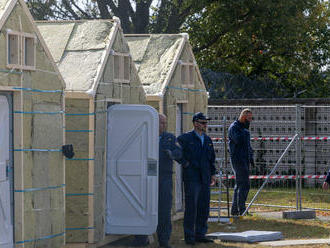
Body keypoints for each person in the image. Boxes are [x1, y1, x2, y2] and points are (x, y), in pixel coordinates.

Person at [133, 114, 182, 248]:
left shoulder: (170, 138)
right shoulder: (145, 136)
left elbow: (179, 153)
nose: (163, 125)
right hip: (146, 178)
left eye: (164, 123)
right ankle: (141, 238)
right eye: (161, 123)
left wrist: (172, 154)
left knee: (164, 210)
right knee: (143, 207)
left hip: (164, 178)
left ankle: (164, 240)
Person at [177, 112, 216, 245]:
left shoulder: (208, 140)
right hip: (192, 178)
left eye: (206, 122)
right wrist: (185, 163)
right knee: (191, 208)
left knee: (203, 207)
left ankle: (200, 234)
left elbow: (211, 159)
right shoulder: (185, 138)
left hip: (205, 177)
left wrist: (212, 174)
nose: (205, 125)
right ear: (195, 123)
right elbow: (177, 153)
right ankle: (189, 236)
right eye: (203, 122)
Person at [228, 108, 254, 216]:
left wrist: (251, 157)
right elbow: (237, 140)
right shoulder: (234, 127)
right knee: (244, 184)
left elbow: (248, 145)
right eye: (249, 118)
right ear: (243, 117)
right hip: (237, 159)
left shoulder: (244, 129)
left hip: (245, 159)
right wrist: (244, 131)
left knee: (240, 184)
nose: (250, 121)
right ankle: (241, 209)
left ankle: (235, 210)